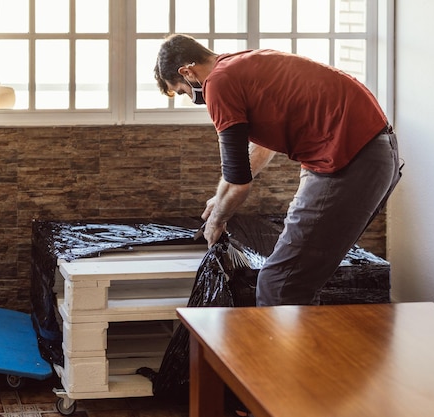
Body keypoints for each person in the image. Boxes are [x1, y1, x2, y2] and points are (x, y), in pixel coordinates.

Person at [154, 34, 401, 306]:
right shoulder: (238, 65)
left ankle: (283, 349)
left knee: (280, 284)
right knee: (299, 280)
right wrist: (219, 199)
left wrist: (216, 222)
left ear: (187, 72)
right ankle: (305, 347)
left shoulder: (218, 84)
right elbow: (260, 150)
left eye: (182, 91)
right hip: (371, 151)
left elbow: (239, 183)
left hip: (348, 159)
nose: (191, 98)